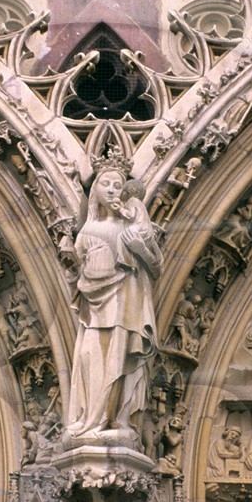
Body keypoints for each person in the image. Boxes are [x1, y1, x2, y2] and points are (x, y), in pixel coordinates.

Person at [64, 166, 164, 443]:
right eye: (104, 183)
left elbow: (156, 267)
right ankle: (87, 419)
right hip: (94, 307)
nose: (111, 189)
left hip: (125, 304)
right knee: (88, 357)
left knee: (118, 362)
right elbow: (77, 271)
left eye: (117, 185)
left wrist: (141, 248)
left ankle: (116, 420)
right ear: (95, 190)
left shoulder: (132, 226)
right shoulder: (87, 230)